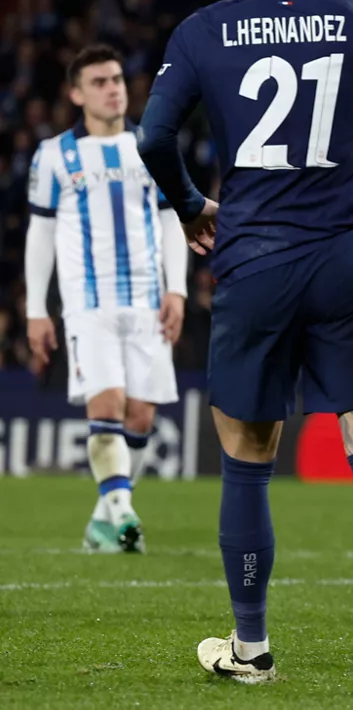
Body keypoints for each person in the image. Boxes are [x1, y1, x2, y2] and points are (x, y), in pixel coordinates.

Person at [137, 0, 353, 692]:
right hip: (343, 258)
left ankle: (253, 649)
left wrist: (193, 204)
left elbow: (156, 136)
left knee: (247, 458)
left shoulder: (201, 31)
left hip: (253, 258)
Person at [25, 44, 188, 555]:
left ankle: (103, 520)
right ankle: (123, 517)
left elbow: (170, 219)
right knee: (109, 405)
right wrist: (36, 309)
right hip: (87, 304)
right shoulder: (54, 154)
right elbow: (41, 233)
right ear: (77, 93)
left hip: (145, 300)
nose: (113, 88)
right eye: (99, 82)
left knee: (141, 417)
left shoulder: (151, 146)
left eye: (117, 78)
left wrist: (177, 288)